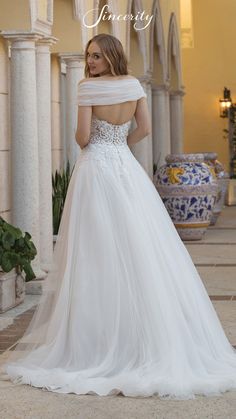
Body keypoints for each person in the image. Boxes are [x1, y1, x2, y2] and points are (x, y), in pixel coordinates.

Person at [2, 33, 236, 400]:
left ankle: (100, 342)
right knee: (138, 246)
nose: (90, 62)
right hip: (125, 169)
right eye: (88, 56)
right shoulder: (132, 85)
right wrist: (120, 146)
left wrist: (99, 142)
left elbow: (81, 137)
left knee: (96, 251)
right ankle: (139, 334)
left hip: (96, 169)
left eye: (95, 56)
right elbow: (144, 127)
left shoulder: (87, 88)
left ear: (110, 56)